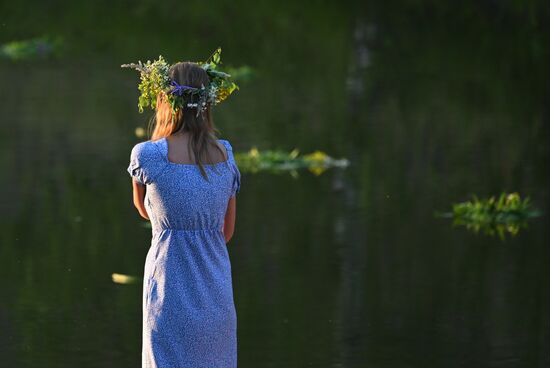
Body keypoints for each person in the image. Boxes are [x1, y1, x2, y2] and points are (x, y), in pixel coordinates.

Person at [126, 60, 241, 367]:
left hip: (168, 289)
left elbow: (142, 209)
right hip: (216, 293)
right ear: (207, 103)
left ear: (164, 99)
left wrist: (174, 223)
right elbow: (226, 232)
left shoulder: (148, 155)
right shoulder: (225, 154)